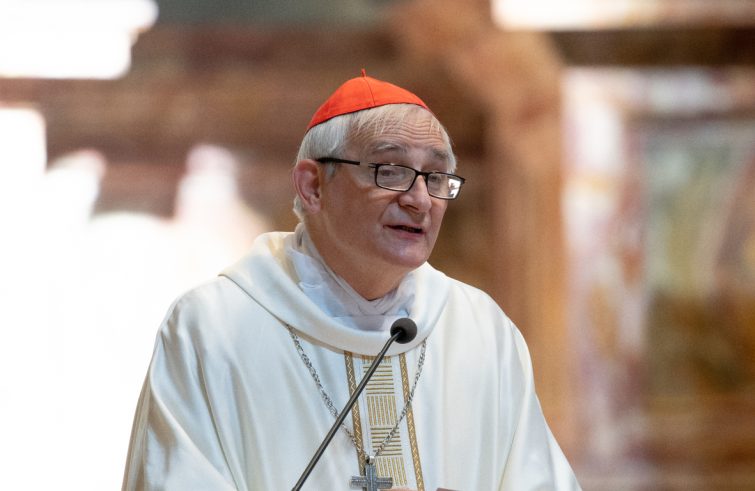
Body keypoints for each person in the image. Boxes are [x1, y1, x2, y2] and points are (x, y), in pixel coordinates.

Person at [122, 71, 581, 490]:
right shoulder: (211, 328)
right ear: (313, 186)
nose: (420, 200)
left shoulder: (481, 331)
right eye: (391, 171)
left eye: (436, 177)